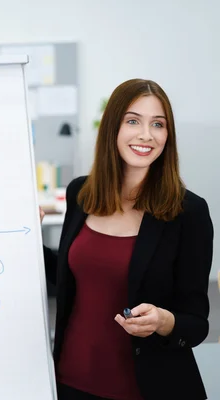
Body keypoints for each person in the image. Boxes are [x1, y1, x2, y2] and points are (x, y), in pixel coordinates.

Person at [42, 79, 214, 400]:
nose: (146, 134)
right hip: (70, 380)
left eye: (158, 124)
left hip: (148, 389)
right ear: (112, 129)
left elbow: (196, 324)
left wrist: (164, 321)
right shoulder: (81, 192)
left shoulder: (188, 212)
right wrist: (21, 236)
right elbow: (65, 277)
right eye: (133, 121)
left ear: (168, 135)